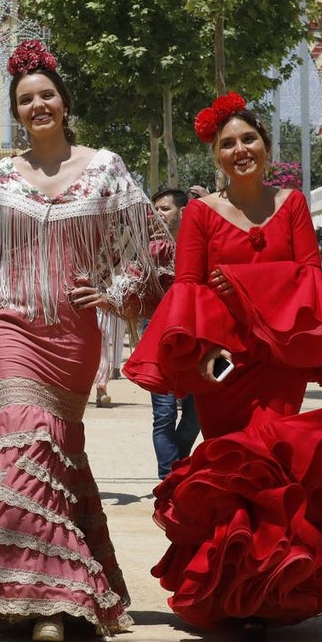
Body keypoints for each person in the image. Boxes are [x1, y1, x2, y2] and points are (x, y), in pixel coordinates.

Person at [125, 93, 322, 640]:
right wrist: (205, 356)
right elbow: (190, 289)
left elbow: (310, 279)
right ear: (215, 156)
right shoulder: (199, 213)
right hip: (221, 365)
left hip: (279, 362)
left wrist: (246, 286)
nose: (240, 150)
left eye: (249, 139)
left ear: (267, 146)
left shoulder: (292, 205)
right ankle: (236, 593)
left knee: (275, 467)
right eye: (228, 144)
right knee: (231, 467)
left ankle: (268, 588)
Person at [0, 40, 171, 642]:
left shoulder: (107, 168)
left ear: (64, 103)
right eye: (25, 100)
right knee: (26, 451)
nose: (38, 105)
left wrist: (116, 292)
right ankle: (47, 604)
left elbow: (145, 240)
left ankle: (23, 594)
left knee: (57, 460)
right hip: (11, 327)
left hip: (73, 336)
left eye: (47, 95)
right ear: (15, 113)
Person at [148, 186, 200, 477]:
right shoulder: (151, 251)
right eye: (155, 209)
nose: (158, 215)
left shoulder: (202, 244)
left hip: (200, 339)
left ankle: (177, 466)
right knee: (164, 414)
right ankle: (169, 477)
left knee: (197, 414)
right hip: (158, 335)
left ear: (183, 211)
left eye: (164, 209)